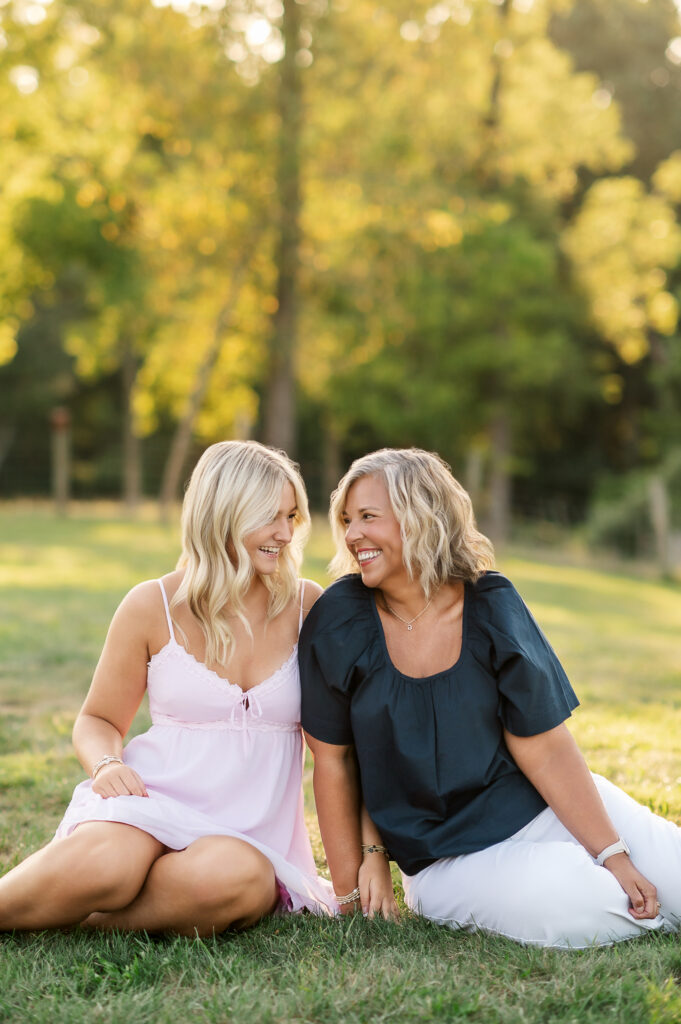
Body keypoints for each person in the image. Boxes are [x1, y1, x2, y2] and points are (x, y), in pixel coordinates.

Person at [300, 447, 681, 948]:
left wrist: (613, 851)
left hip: (541, 808)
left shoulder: (490, 601)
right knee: (580, 901)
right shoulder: (339, 620)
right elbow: (334, 762)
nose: (351, 536)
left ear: (421, 518)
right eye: (347, 520)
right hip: (446, 861)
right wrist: (352, 890)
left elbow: (542, 744)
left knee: (670, 872)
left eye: (368, 517)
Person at [0, 440, 335, 935]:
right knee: (109, 865)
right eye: (271, 517)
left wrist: (354, 876)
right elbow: (98, 720)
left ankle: (81, 921)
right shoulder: (150, 604)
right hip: (150, 799)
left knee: (239, 880)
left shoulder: (310, 606)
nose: (285, 534)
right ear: (223, 513)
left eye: (292, 517)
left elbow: (333, 756)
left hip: (244, 837)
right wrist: (107, 763)